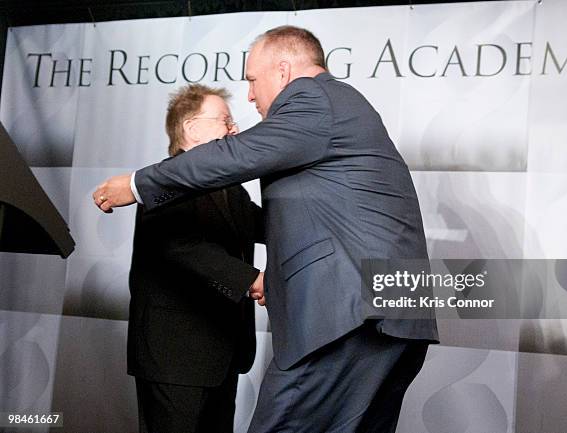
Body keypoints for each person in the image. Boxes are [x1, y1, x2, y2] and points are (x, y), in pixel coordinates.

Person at [94, 26, 438, 432]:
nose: (251, 96)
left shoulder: (312, 97)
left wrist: (137, 184)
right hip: (390, 309)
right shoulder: (343, 106)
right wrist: (259, 278)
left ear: (284, 69)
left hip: (353, 313)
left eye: (253, 81)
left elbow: (239, 155)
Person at [127, 84, 264, 433]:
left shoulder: (232, 188)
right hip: (174, 357)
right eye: (225, 120)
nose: (234, 129)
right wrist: (251, 280)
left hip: (224, 355)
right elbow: (180, 246)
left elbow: (266, 226)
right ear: (191, 128)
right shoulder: (161, 181)